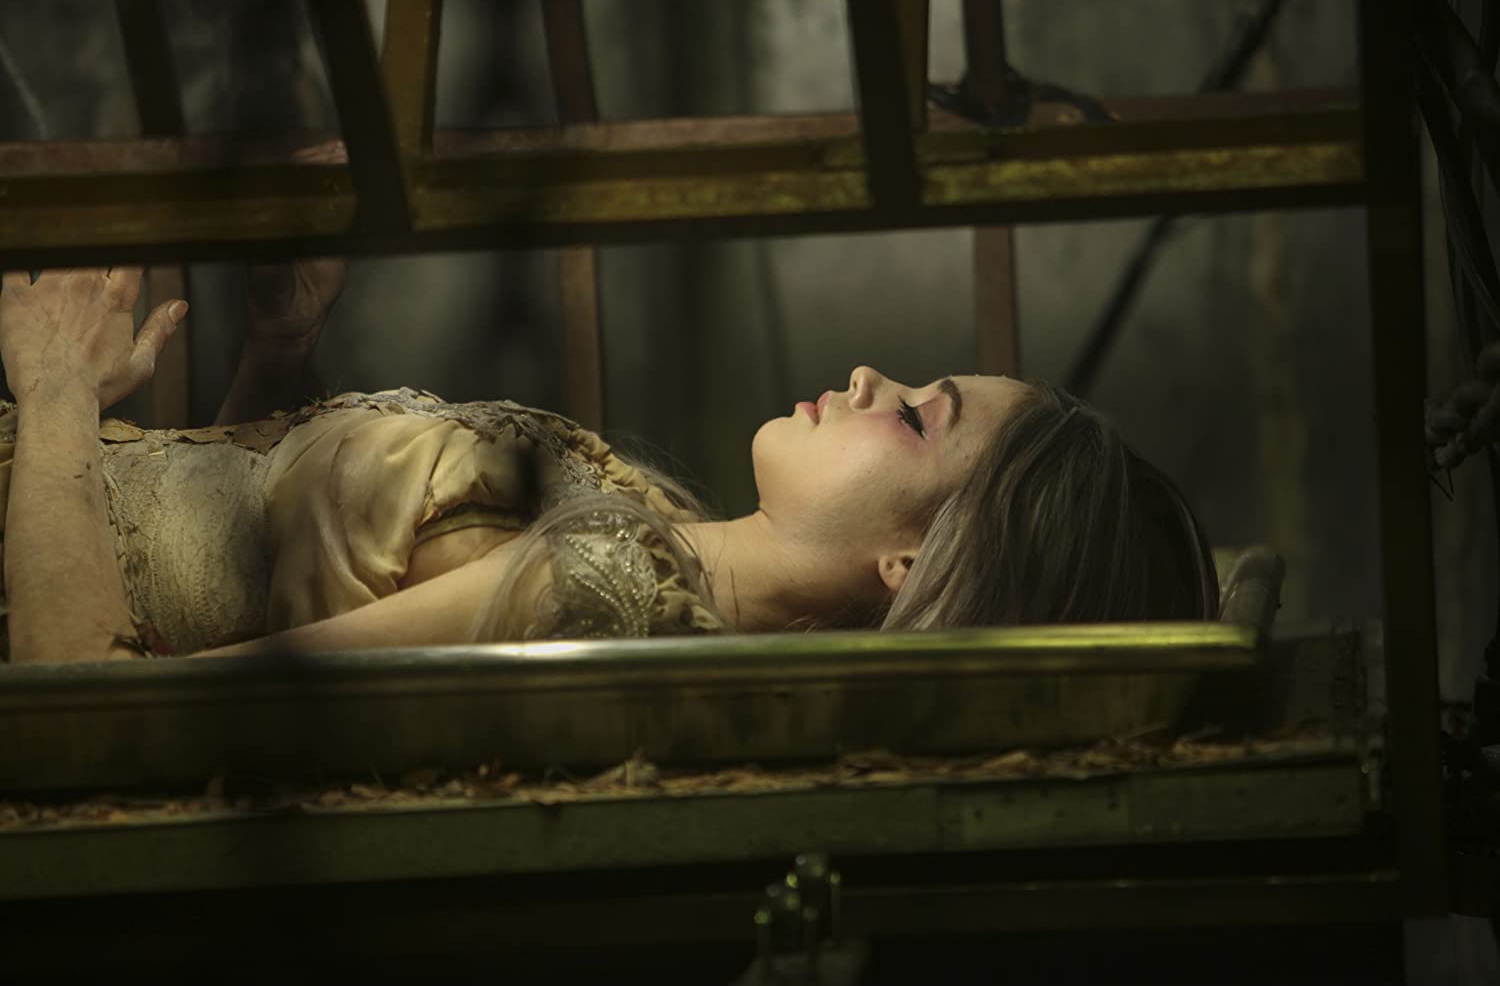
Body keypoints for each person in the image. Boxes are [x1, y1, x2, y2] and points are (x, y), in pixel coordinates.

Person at [0, 264, 1217, 666]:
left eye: (913, 417)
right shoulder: (654, 533)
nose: (865, 376)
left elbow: (102, 723)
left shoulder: (606, 594)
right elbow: (233, 592)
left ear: (912, 562)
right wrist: (277, 364)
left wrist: (55, 388)